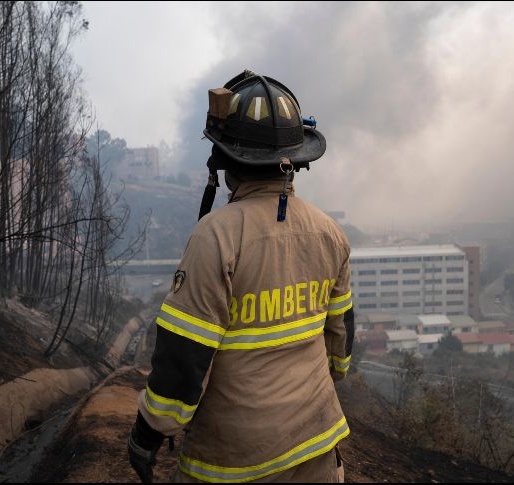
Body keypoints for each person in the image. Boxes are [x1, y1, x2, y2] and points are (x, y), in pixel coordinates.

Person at [127, 70, 354, 483]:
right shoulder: (330, 233)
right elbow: (339, 350)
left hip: (233, 462)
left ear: (226, 160)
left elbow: (183, 360)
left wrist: (147, 432)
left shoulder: (217, 237)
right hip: (317, 447)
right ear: (296, 158)